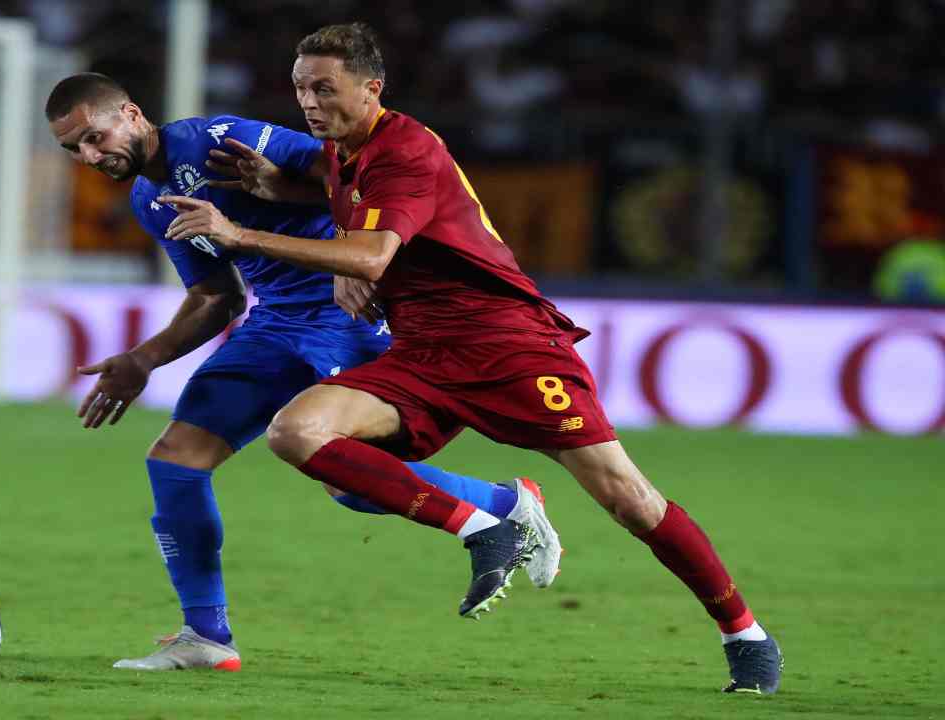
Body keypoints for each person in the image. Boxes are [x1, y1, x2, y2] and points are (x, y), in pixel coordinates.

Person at [156, 23, 783, 695]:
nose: (309, 102)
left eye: (325, 88)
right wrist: (282, 190)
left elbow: (372, 253)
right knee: (298, 432)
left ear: (371, 88)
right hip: (421, 354)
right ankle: (484, 525)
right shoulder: (341, 153)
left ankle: (745, 634)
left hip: (506, 345)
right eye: (301, 88)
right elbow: (345, 205)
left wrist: (240, 233)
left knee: (627, 498)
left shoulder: (406, 150)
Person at [44, 73, 561, 672]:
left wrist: (349, 246)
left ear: (132, 114)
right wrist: (143, 359)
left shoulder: (218, 138)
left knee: (350, 483)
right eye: (74, 149)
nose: (89, 156)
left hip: (346, 315)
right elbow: (217, 297)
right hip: (273, 324)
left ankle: (503, 504)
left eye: (95, 137)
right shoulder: (148, 200)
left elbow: (349, 173)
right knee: (175, 459)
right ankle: (206, 636)